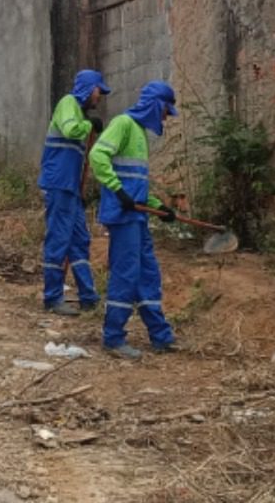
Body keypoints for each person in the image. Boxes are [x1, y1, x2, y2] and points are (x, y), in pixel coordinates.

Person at [88, 81, 179, 359]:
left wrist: (159, 207)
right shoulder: (123, 124)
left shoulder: (139, 134)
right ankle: (113, 337)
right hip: (123, 216)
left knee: (148, 273)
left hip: (136, 216)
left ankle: (161, 336)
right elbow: (97, 155)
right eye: (166, 110)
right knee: (126, 275)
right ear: (156, 105)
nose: (166, 117)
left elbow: (137, 186)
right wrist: (117, 191)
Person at [37, 69, 110, 315]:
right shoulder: (68, 104)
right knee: (58, 239)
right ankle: (52, 297)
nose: (99, 97)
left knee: (80, 240)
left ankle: (88, 295)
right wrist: (88, 125)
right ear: (89, 89)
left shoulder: (79, 113)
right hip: (59, 184)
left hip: (70, 188)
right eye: (99, 91)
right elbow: (70, 130)